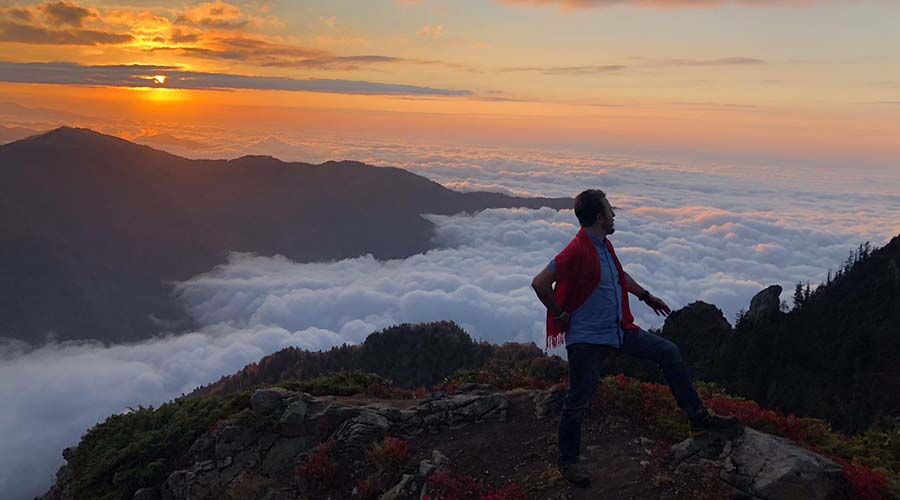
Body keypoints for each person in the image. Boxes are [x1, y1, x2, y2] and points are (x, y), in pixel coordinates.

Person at [531, 189, 742, 488]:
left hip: (618, 330)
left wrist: (645, 296)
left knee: (668, 352)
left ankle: (697, 417)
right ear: (599, 217)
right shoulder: (576, 250)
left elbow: (617, 275)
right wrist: (560, 314)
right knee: (578, 398)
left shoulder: (604, 246)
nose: (614, 215)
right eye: (609, 210)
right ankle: (568, 460)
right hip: (588, 337)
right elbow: (539, 282)